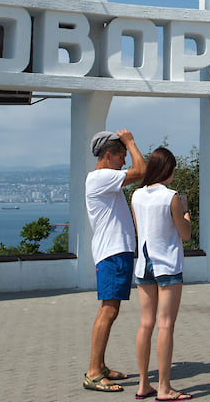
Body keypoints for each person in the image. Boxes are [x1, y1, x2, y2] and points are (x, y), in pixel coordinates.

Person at [84, 129, 146, 392]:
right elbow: (141, 171)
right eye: (121, 156)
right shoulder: (101, 177)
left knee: (109, 310)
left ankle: (100, 365)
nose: (124, 161)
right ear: (108, 156)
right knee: (108, 311)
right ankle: (93, 372)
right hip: (112, 254)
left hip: (114, 253)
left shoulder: (104, 179)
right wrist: (131, 142)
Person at [131, 147, 193, 401]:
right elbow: (185, 233)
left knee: (146, 323)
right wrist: (187, 211)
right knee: (165, 324)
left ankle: (143, 383)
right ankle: (165, 387)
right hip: (167, 264)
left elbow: (140, 229)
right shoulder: (172, 197)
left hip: (143, 262)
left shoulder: (136, 195)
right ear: (168, 169)